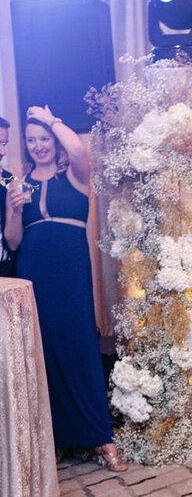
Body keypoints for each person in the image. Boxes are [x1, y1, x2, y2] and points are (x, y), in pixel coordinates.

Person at [4, 105, 126, 471]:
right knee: (46, 353)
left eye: (44, 139)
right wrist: (12, 210)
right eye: (31, 140)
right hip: (33, 272)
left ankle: (101, 438)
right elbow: (12, 242)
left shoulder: (74, 175)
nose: (38, 146)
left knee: (80, 346)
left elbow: (80, 150)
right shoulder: (18, 184)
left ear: (54, 140)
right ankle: (60, 438)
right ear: (24, 145)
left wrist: (52, 119)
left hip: (69, 271)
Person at [0, 116, 16, 276]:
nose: (2, 152)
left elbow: (12, 241)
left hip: (4, 270)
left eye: (4, 144)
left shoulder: (7, 178)